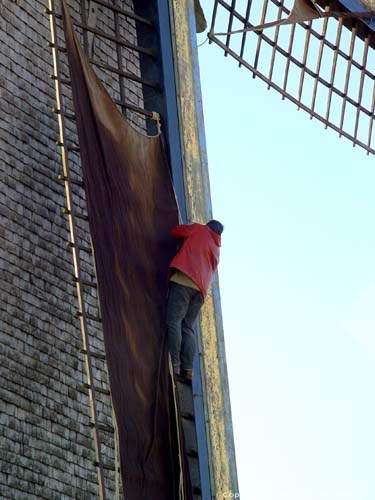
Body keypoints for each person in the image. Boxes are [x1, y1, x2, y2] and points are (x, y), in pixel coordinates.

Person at [166, 220, 224, 381]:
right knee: (187, 326)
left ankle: (175, 364)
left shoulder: (199, 229)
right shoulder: (217, 250)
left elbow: (175, 231)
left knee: (174, 320)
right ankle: (188, 370)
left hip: (184, 279)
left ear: (208, 226)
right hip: (200, 291)